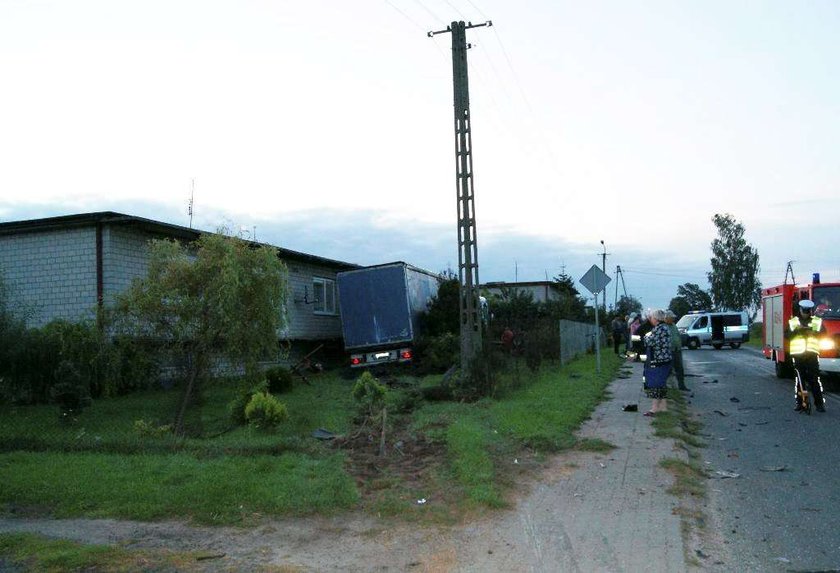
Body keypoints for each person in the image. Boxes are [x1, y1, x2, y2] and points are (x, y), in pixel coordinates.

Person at [786, 299, 826, 412]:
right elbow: (787, 335)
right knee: (800, 381)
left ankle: (819, 405)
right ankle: (800, 403)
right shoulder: (793, 322)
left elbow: (823, 334)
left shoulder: (816, 321)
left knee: (814, 380)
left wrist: (814, 333)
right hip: (798, 355)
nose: (806, 313)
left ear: (810, 311)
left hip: (811, 355)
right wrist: (797, 332)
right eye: (804, 311)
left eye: (808, 311)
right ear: (800, 310)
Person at [642, 309, 673, 416]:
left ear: (655, 318)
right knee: (661, 383)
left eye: (651, 317)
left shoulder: (659, 329)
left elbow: (649, 341)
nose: (650, 319)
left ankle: (654, 408)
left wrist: (646, 336)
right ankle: (663, 407)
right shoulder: (665, 327)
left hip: (659, 360)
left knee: (655, 383)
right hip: (666, 359)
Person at [664, 310, 689, 391]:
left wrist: (680, 344)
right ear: (667, 318)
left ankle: (681, 385)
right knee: (668, 369)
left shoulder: (674, 325)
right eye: (672, 318)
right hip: (669, 351)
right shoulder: (664, 327)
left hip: (677, 350)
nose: (673, 319)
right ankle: (664, 385)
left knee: (680, 369)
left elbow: (677, 335)